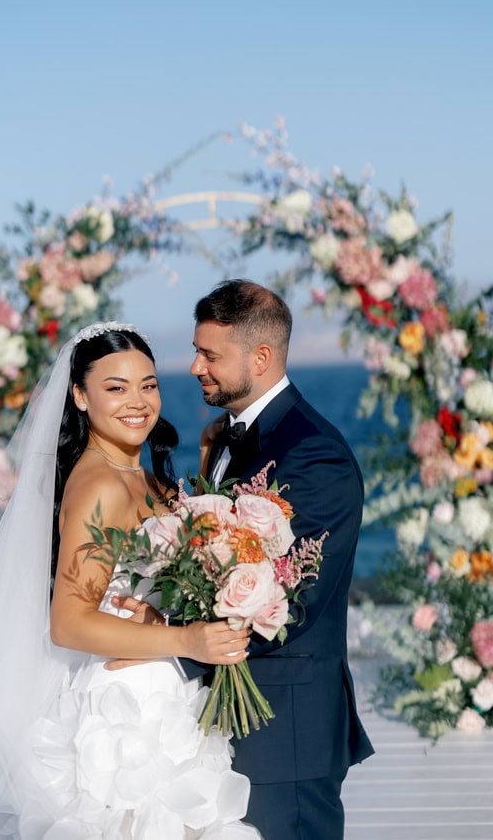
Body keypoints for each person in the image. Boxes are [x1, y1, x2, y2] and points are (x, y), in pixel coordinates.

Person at [0, 321, 261, 840]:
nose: (138, 401)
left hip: (162, 698)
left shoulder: (139, 473)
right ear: (80, 396)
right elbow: (69, 622)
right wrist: (188, 639)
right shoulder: (98, 483)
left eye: (148, 385)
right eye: (115, 387)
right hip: (122, 716)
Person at [185, 279, 376, 839]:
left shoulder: (315, 455)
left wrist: (169, 646)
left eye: (210, 355)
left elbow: (291, 603)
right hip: (225, 720)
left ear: (261, 357)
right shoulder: (223, 438)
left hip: (284, 731)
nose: (195, 366)